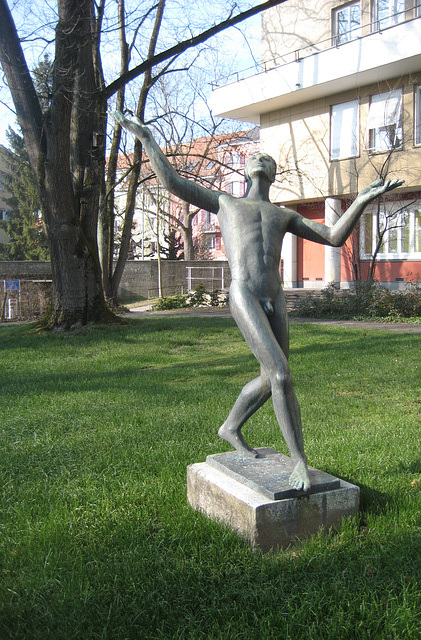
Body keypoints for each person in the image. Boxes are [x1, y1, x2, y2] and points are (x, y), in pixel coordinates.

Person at [112, 111, 403, 491]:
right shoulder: (225, 202)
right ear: (247, 168)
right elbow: (173, 182)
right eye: (254, 157)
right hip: (245, 293)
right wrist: (147, 138)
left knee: (270, 379)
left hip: (275, 297)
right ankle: (300, 461)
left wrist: (362, 199)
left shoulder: (284, 214)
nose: (259, 159)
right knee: (282, 374)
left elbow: (333, 236)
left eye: (267, 159)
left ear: (273, 173)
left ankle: (230, 426)